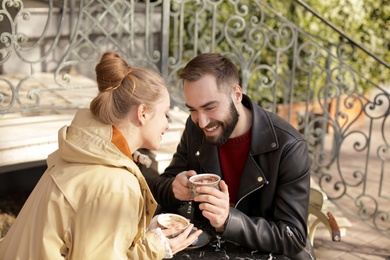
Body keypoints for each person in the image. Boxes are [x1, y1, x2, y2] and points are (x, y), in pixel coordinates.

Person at [0, 52, 202, 259]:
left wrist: (137, 230)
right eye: (165, 113)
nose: (167, 124)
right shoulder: (115, 183)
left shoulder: (83, 152)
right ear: (143, 113)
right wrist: (157, 247)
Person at [152, 53, 315, 259]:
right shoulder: (194, 129)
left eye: (210, 107)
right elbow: (162, 186)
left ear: (236, 94)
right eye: (193, 110)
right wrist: (175, 188)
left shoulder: (289, 146)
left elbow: (293, 237)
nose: (202, 122)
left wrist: (229, 220)